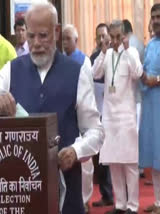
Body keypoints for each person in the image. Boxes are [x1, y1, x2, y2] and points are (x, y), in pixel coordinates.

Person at [0, 2, 104, 214]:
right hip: (21, 193)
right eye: (31, 36)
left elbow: (96, 132)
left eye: (43, 36)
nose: (36, 43)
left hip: (65, 190)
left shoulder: (77, 72)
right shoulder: (12, 69)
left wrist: (76, 150)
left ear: (57, 32)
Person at [92, 19, 151, 214]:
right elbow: (94, 73)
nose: (115, 41)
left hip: (126, 116)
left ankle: (132, 207)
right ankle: (120, 205)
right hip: (109, 116)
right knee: (114, 162)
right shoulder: (106, 54)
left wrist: (126, 51)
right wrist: (102, 51)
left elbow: (138, 73)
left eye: (119, 37)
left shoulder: (131, 52)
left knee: (130, 164)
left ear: (124, 35)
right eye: (113, 37)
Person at [61, 23, 93, 213]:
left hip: (82, 114)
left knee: (86, 163)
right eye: (63, 39)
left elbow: (87, 91)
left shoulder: (84, 61)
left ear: (76, 41)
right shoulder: (60, 61)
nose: (65, 43)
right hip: (66, 116)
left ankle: (86, 199)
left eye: (68, 39)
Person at [90, 23, 115, 208]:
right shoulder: (94, 57)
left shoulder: (117, 55)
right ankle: (106, 194)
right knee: (101, 157)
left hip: (116, 111)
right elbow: (93, 76)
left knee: (117, 155)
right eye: (98, 37)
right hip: (98, 112)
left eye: (104, 36)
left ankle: (122, 196)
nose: (101, 40)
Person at [139, 3, 160, 214]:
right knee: (155, 156)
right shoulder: (151, 44)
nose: (155, 20)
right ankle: (158, 202)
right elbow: (144, 72)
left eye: (159, 16)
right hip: (151, 104)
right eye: (153, 17)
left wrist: (157, 79)